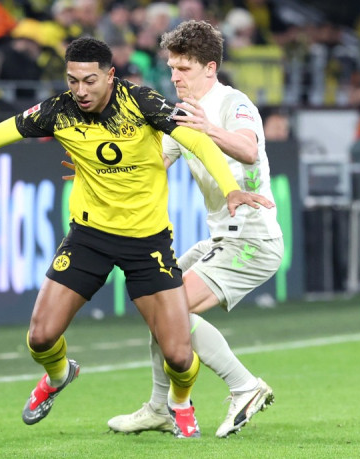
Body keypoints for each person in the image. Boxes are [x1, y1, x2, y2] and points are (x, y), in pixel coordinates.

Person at [0, 36, 274, 438]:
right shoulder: (58, 111)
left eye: (89, 81)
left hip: (146, 243)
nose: (80, 90)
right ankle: (59, 375)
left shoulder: (143, 103)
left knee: (178, 352)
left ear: (110, 76)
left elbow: (197, 141)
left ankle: (179, 404)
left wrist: (230, 189)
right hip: (89, 238)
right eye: (72, 81)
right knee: (40, 337)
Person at [105, 20, 284, 438]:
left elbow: (249, 149)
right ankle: (159, 408)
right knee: (158, 304)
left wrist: (208, 130)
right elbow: (154, 163)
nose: (174, 77)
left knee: (173, 310)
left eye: (183, 68)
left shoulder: (233, 103)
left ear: (210, 67)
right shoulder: (183, 115)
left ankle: (244, 387)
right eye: (171, 68)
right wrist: (100, 165)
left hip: (253, 239)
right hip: (220, 239)